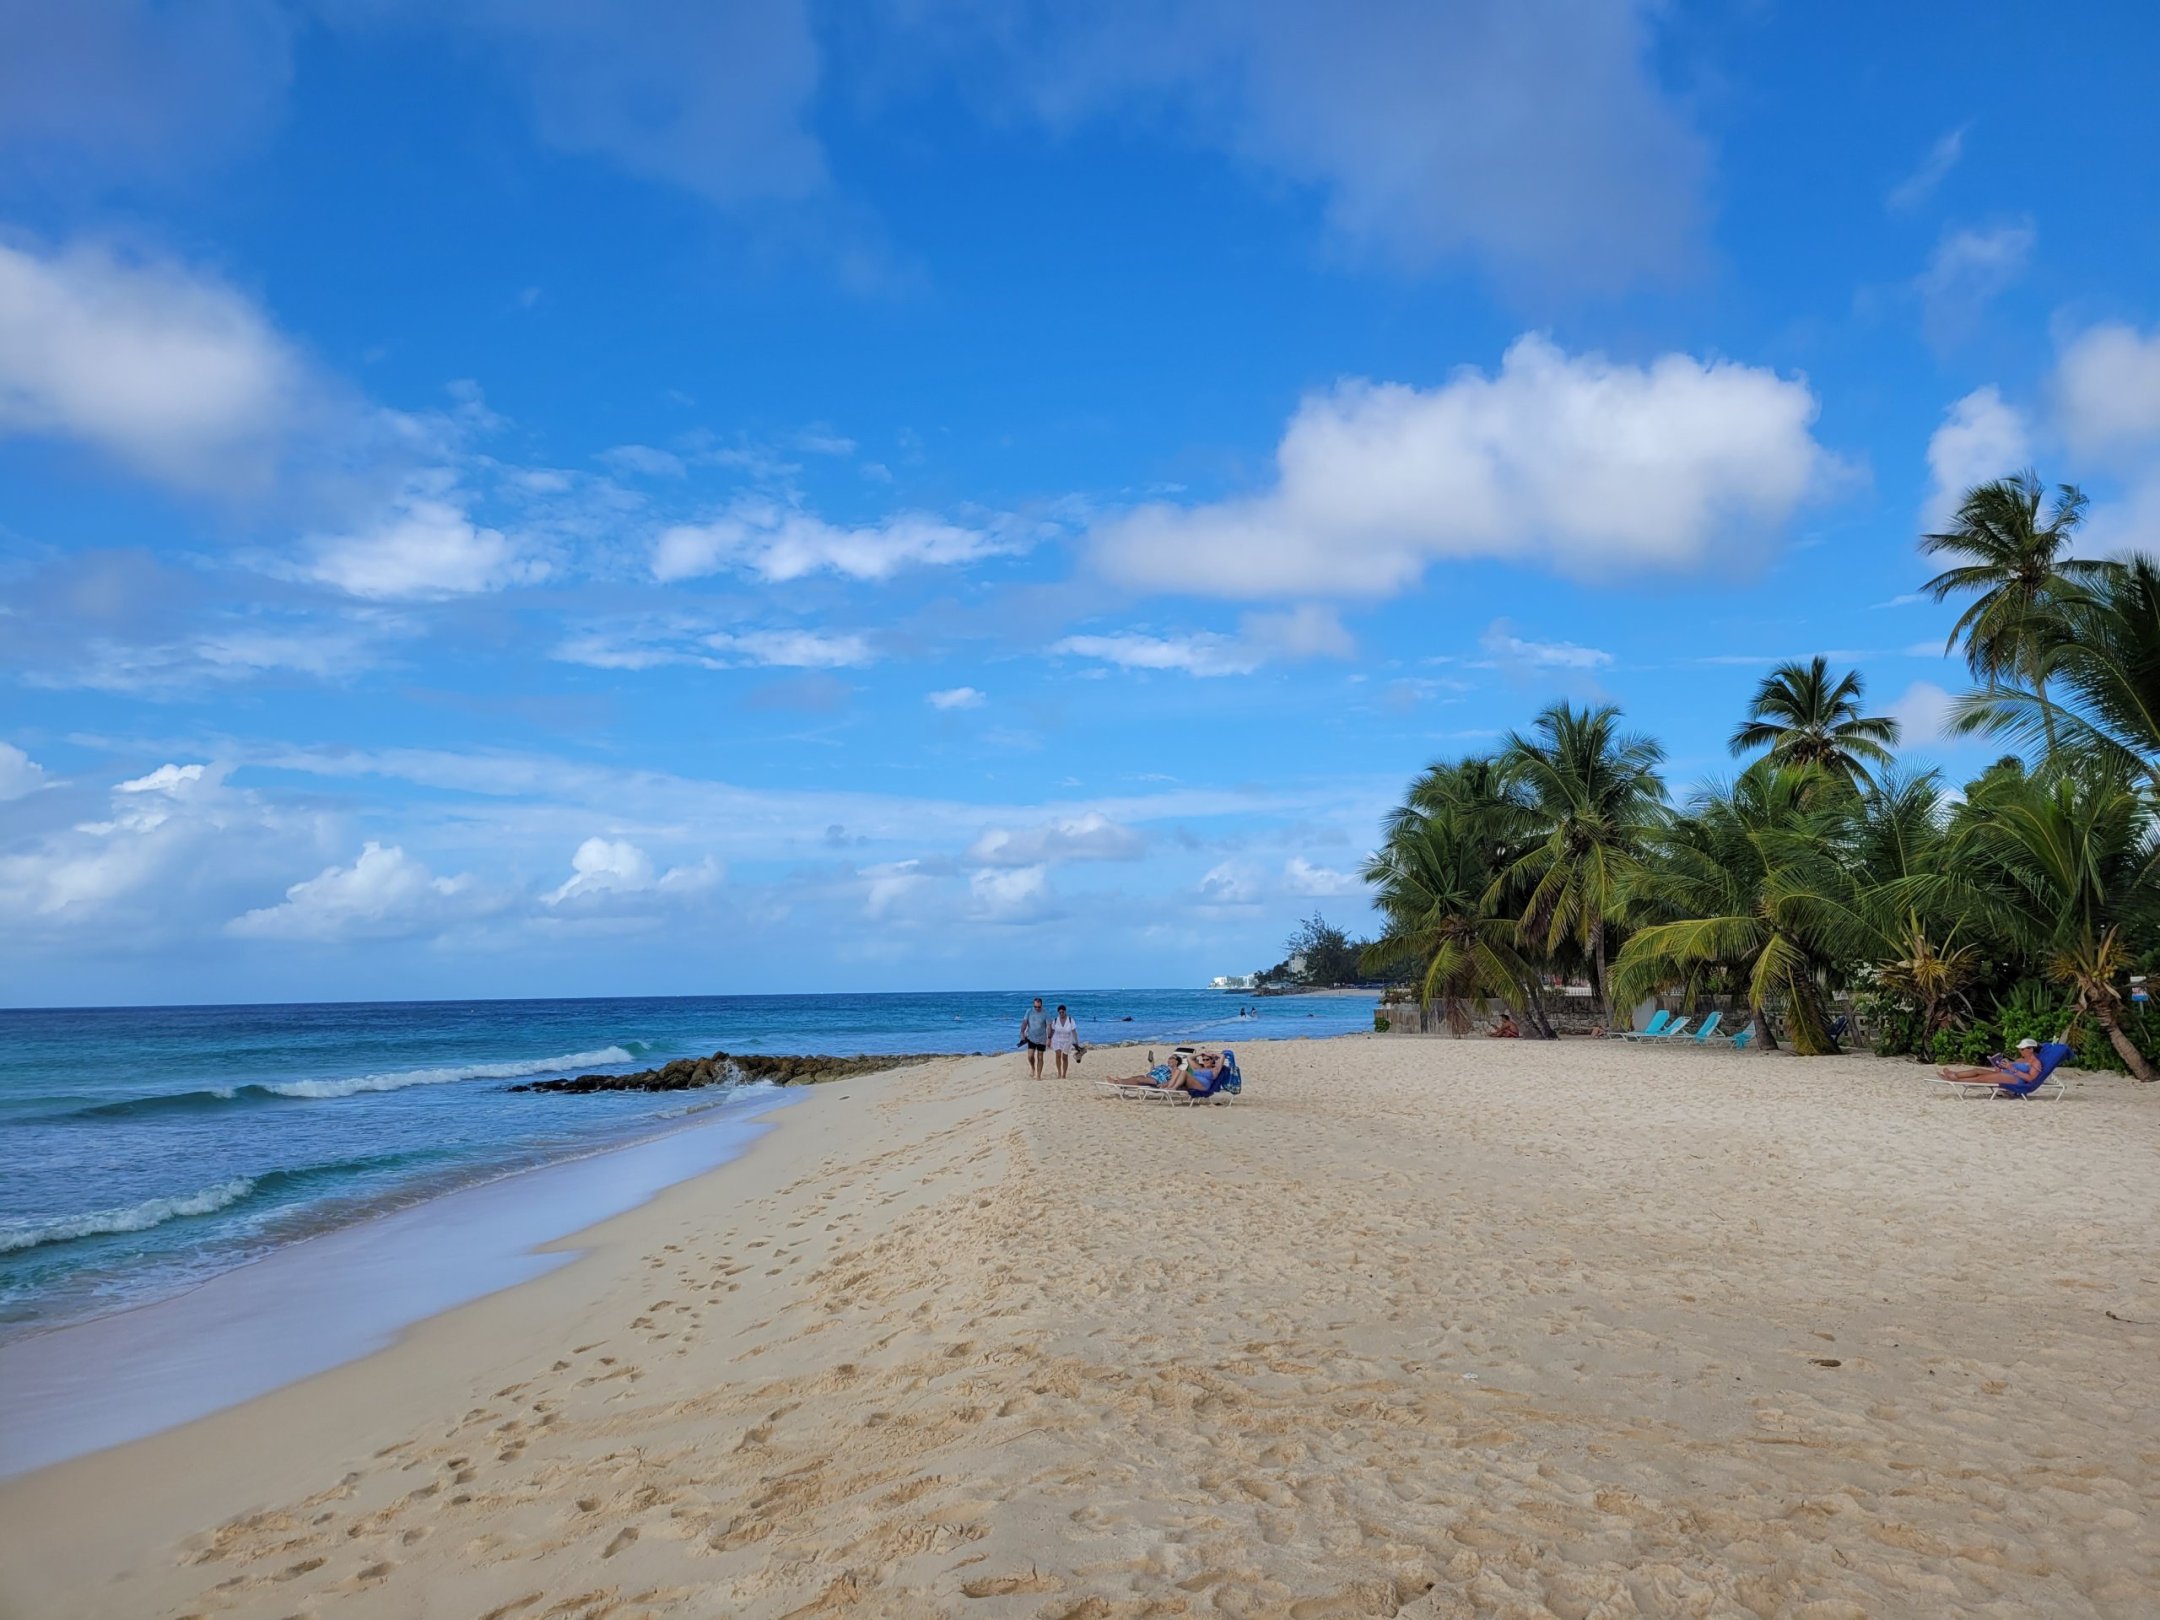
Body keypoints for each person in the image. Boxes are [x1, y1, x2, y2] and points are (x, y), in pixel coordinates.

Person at [1102, 1050, 1227, 1097]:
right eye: (1203, 1059)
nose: (1205, 1061)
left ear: (1212, 1061)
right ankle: (1171, 1087)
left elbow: (1222, 1056)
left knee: (1182, 1072)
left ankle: (1171, 1087)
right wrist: (1201, 1053)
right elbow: (1190, 1058)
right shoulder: (1198, 1067)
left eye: (1207, 1059)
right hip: (1192, 1083)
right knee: (1181, 1071)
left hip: (1203, 1086)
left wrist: (1212, 1053)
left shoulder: (1214, 1070)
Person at [1940, 1036, 2044, 1087]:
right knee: (1977, 1070)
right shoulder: (2021, 1059)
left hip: (2016, 1080)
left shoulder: (2035, 1063)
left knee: (1981, 1078)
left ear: (2031, 1049)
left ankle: (1955, 1081)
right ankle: (1955, 1074)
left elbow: (2030, 1078)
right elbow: (2009, 1067)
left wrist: (2012, 1069)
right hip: (2006, 1073)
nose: (2020, 1051)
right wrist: (2000, 1065)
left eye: (2022, 1049)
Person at [1018, 997, 1051, 1078]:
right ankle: (1033, 1068)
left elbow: (1049, 1026)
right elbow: (1025, 1022)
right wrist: (1022, 1032)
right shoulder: (1029, 1011)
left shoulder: (1045, 1013)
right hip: (1031, 1037)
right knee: (1030, 1056)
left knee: (1040, 1056)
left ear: (1041, 1005)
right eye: (1035, 1006)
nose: (1037, 1008)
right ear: (1033, 1005)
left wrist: (1049, 1038)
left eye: (1039, 1007)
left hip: (1042, 1038)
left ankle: (1038, 1075)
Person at [1049, 1004, 1081, 1077]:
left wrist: (1076, 1042)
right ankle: (1059, 1073)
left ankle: (1064, 1074)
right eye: (1060, 1012)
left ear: (1065, 1011)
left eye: (1062, 1012)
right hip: (1057, 1040)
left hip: (1067, 1040)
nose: (1061, 1014)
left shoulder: (1070, 1020)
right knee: (1058, 1055)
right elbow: (1052, 1030)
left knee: (1064, 1057)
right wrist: (1049, 1039)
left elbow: (1074, 1031)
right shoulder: (1055, 1020)